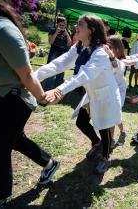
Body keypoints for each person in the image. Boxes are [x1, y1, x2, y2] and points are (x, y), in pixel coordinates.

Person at [0, 0, 60, 208]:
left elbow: (27, 74)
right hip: (0, 95)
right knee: (15, 139)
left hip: (15, 99)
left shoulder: (0, 28)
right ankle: (49, 163)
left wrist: (42, 98)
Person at [35, 14, 122, 174]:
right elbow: (58, 64)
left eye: (80, 24)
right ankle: (97, 144)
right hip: (91, 93)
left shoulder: (101, 52)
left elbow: (84, 75)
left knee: (104, 126)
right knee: (81, 121)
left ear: (91, 29)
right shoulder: (80, 46)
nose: (76, 26)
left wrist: (59, 90)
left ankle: (106, 157)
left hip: (105, 95)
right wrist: (32, 77)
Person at [104, 35, 127, 146]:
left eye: (110, 47)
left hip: (119, 91)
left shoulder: (122, 61)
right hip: (109, 90)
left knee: (113, 115)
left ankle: (111, 140)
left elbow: (118, 66)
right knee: (114, 115)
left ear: (117, 49)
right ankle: (122, 131)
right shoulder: (105, 59)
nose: (107, 50)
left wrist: (112, 57)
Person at [42, 16, 72, 91]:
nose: (63, 27)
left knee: (61, 72)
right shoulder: (52, 30)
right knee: (51, 70)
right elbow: (50, 42)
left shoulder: (67, 31)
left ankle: (58, 90)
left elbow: (69, 44)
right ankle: (47, 89)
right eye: (61, 25)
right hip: (54, 52)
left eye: (64, 25)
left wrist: (67, 34)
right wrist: (56, 32)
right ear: (57, 24)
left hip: (63, 53)